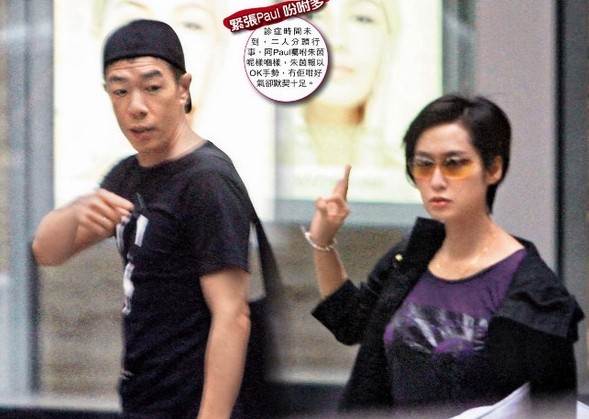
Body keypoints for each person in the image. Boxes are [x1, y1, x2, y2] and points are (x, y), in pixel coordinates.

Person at [304, 94, 584, 417]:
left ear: (493, 169)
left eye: (454, 164)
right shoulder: (412, 256)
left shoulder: (535, 293)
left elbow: (556, 410)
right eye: (424, 164)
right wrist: (323, 240)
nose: (436, 181)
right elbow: (350, 323)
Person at [33, 19, 258, 418]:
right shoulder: (128, 174)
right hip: (145, 395)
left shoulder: (207, 180)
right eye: (120, 91)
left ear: (183, 89)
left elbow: (233, 314)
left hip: (188, 403)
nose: (136, 106)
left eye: (153, 88)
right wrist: (77, 210)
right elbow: (47, 252)